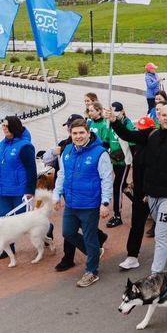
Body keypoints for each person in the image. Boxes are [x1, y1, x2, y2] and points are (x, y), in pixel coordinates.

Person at [107, 104, 167, 274]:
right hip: (152, 194)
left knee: (161, 235)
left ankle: (155, 275)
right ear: (159, 117)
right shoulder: (150, 135)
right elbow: (128, 134)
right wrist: (115, 121)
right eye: (164, 115)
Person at [52, 119, 113, 287]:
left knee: (90, 236)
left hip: (90, 204)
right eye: (74, 133)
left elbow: (106, 179)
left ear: (88, 133)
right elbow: (62, 174)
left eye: (81, 133)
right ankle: (93, 252)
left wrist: (105, 202)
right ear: (70, 135)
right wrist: (56, 195)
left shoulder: (100, 153)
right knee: (68, 233)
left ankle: (91, 271)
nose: (78, 136)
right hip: (71, 202)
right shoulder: (68, 151)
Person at [118, 116, 158, 271]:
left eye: (144, 130)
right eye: (139, 130)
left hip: (154, 192)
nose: (141, 133)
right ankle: (132, 256)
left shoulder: (156, 147)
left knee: (164, 226)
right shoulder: (137, 147)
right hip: (139, 193)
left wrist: (149, 192)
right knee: (137, 225)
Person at [0, 116, 37, 219]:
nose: (4, 128)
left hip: (19, 192)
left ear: (14, 127)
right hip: (3, 191)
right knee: (3, 222)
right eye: (3, 125)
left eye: (7, 126)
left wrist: (30, 191)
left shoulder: (25, 146)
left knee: (24, 223)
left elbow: (31, 170)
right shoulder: (1, 145)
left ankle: (47, 229)